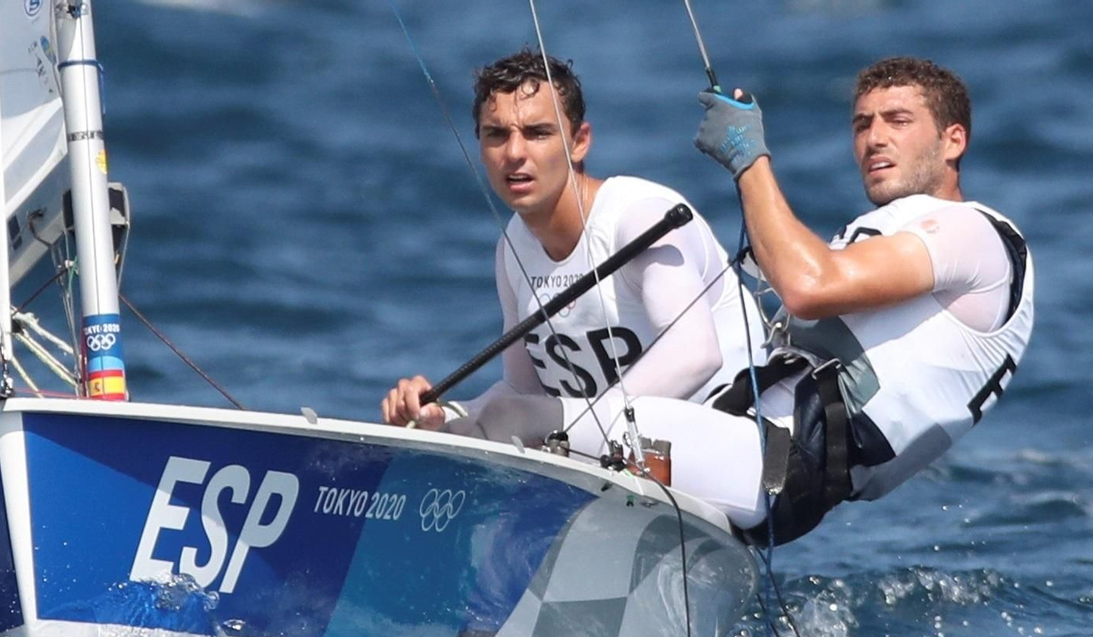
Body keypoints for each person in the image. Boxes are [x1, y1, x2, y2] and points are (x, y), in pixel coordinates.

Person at [397, 56, 1034, 546]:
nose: (873, 139)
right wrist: (447, 416)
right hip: (748, 448)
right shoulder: (887, 240)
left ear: (954, 140)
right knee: (507, 414)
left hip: (783, 464)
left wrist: (749, 160)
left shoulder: (972, 232)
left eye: (898, 122)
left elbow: (810, 287)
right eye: (862, 123)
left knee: (517, 418)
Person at [381, 49, 764, 433]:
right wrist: (443, 417)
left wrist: (577, 428)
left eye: (537, 133)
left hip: (744, 439)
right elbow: (521, 390)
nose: (514, 153)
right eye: (497, 135)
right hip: (627, 456)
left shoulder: (639, 217)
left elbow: (696, 355)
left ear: (580, 142)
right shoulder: (512, 248)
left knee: (514, 423)